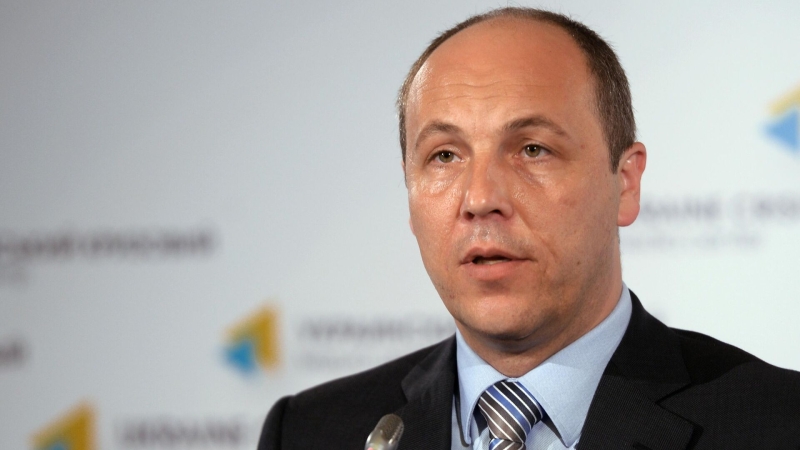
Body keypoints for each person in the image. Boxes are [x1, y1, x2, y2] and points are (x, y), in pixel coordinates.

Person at [257, 7, 800, 450]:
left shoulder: (778, 424)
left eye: (533, 149)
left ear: (625, 183)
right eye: (444, 156)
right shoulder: (310, 431)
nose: (480, 199)